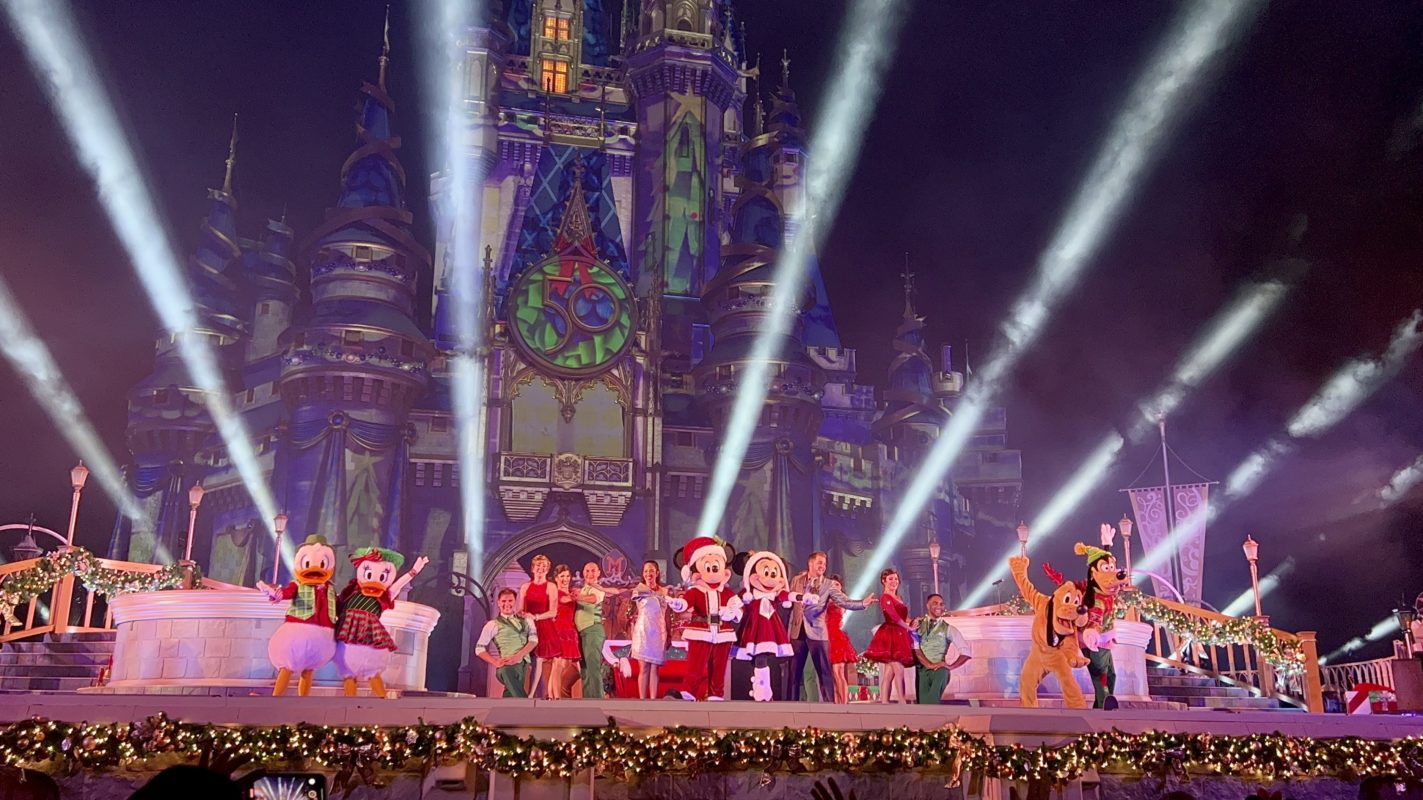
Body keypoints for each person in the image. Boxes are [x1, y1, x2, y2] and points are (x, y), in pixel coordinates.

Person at [787, 551, 874, 701]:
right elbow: (789, 601)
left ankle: (829, 706)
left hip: (818, 632)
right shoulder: (797, 580)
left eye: (824, 564)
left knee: (824, 673)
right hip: (797, 630)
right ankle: (790, 706)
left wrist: (862, 604)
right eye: (820, 562)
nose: (823, 566)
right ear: (810, 563)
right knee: (794, 673)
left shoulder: (829, 584)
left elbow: (844, 601)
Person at [575, 561, 626, 699]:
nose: (590, 574)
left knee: (593, 668)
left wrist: (578, 597)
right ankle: (587, 700)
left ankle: (597, 700)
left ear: (598, 573)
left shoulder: (597, 588)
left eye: (593, 571)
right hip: (582, 632)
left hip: (592, 630)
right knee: (585, 669)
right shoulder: (583, 589)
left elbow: (593, 599)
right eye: (587, 571)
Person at [476, 588, 539, 697]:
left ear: (515, 602)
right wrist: (495, 661)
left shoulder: (527, 620)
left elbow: (533, 641)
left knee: (510, 695)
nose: (507, 604)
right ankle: (526, 705)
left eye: (510, 601)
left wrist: (518, 656)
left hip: (525, 665)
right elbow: (479, 649)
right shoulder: (492, 624)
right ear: (498, 603)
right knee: (507, 673)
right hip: (507, 665)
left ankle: (510, 706)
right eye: (504, 601)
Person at [863, 567, 914, 703]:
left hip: (900, 634)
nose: (894, 581)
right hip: (890, 635)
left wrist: (913, 623)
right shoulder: (885, 597)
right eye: (890, 579)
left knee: (888, 674)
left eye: (896, 579)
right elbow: (894, 617)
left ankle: (885, 702)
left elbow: (903, 617)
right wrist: (908, 627)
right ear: (883, 581)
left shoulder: (899, 597)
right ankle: (902, 702)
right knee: (899, 669)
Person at [912, 593, 971, 705]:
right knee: (923, 705)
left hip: (939, 671)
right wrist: (929, 665)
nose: (939, 606)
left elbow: (966, 652)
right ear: (928, 605)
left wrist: (950, 667)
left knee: (931, 703)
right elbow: (915, 649)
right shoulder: (917, 624)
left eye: (941, 604)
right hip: (921, 671)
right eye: (935, 603)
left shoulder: (949, 628)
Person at [630, 560, 675, 699]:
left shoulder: (664, 592)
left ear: (657, 573)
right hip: (643, 631)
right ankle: (643, 701)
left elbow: (667, 615)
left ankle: (653, 701)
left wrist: (669, 634)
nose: (648, 573)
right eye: (645, 571)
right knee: (644, 668)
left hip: (659, 632)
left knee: (655, 668)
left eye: (651, 570)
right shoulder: (638, 590)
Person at [517, 554, 558, 696]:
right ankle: (528, 693)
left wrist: (536, 617)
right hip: (527, 627)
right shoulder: (525, 587)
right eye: (538, 566)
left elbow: (553, 612)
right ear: (533, 569)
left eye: (544, 567)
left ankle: (531, 695)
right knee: (526, 661)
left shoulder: (551, 587)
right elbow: (521, 609)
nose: (541, 569)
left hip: (543, 626)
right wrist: (523, 615)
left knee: (538, 660)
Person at [547, 564, 583, 698]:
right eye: (562, 576)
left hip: (569, 630)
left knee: (559, 666)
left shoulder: (570, 591)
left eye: (567, 576)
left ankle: (552, 696)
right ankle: (556, 698)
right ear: (556, 578)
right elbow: (564, 600)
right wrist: (578, 595)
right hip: (559, 630)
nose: (565, 579)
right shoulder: (556, 592)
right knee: (558, 664)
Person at [826, 574, 859, 704]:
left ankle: (844, 703)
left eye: (837, 584)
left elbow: (842, 614)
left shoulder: (840, 601)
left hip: (836, 638)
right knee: (832, 675)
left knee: (838, 672)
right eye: (832, 584)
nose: (834, 586)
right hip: (826, 637)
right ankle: (837, 702)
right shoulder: (825, 599)